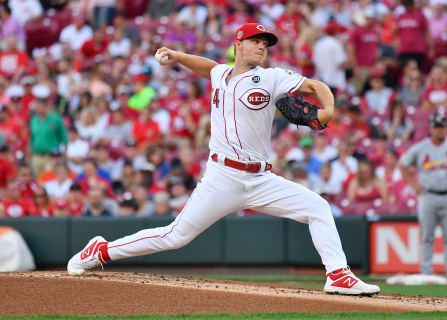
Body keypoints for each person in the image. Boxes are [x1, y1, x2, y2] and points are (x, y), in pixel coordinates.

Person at [67, 22, 379, 295]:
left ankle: (338, 274)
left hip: (260, 179)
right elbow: (208, 66)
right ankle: (101, 250)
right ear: (238, 45)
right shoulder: (220, 73)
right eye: (256, 41)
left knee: (318, 207)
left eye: (266, 43)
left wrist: (328, 110)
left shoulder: (271, 78)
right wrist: (177, 56)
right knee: (175, 236)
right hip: (222, 177)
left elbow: (315, 85)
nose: (261, 47)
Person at [399, 111, 447, 278]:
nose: (439, 130)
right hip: (428, 196)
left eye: (442, 127)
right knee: (427, 235)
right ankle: (426, 270)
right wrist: (414, 184)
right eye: (436, 127)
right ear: (431, 128)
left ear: (446, 128)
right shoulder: (421, 148)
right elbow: (403, 165)